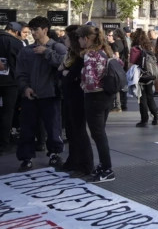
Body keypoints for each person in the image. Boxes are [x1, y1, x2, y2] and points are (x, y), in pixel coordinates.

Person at [15, 16, 67, 172]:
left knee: (53, 127)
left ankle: (55, 153)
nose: (33, 33)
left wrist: (47, 52)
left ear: (45, 30)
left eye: (35, 29)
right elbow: (20, 72)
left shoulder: (57, 47)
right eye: (31, 30)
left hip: (51, 94)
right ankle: (26, 158)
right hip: (30, 96)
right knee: (27, 128)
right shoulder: (26, 50)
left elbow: (64, 64)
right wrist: (25, 88)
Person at [77, 25, 116, 183]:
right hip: (107, 96)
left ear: (86, 38)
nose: (78, 41)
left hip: (94, 97)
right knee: (101, 133)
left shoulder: (90, 55)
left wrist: (81, 79)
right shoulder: (105, 51)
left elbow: (90, 81)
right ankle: (104, 166)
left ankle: (107, 169)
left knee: (98, 134)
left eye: (79, 38)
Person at [58, 25, 93, 175]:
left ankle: (86, 165)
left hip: (78, 97)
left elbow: (70, 76)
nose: (63, 40)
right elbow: (61, 73)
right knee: (71, 131)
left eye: (66, 37)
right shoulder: (70, 56)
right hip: (69, 96)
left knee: (79, 131)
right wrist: (65, 73)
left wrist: (66, 73)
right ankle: (73, 160)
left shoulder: (80, 57)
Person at [129, 29, 158, 127]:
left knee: (142, 98)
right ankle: (156, 117)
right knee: (150, 96)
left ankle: (144, 119)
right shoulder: (149, 46)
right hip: (150, 75)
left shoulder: (135, 49)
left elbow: (132, 62)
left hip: (140, 75)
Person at [0, 22, 23, 154]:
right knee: (7, 113)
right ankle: (4, 143)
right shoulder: (15, 43)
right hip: (11, 83)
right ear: (16, 32)